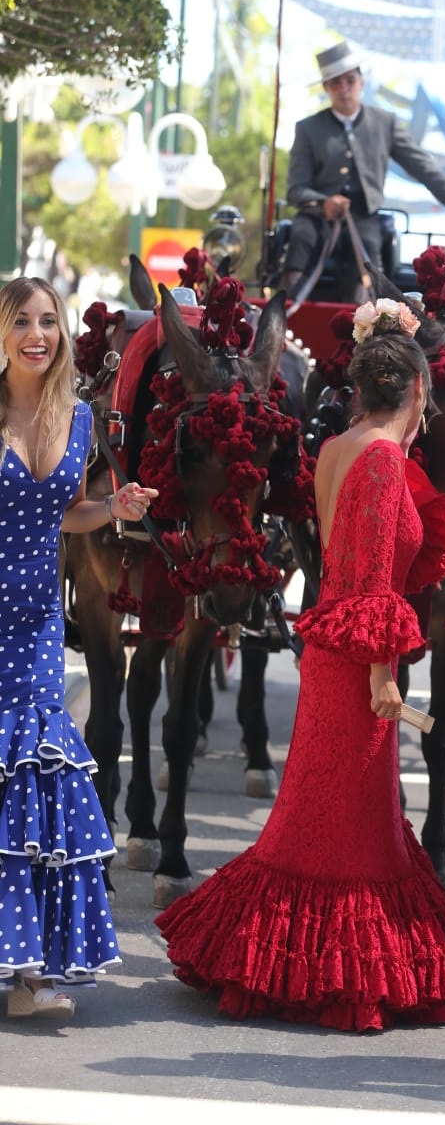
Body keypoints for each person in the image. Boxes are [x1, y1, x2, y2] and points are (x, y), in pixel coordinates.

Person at [155, 297, 445, 1030]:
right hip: (356, 667)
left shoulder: (340, 446)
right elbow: (369, 579)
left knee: (325, 821)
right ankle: (320, 970)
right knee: (345, 829)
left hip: (333, 652)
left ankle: (271, 950)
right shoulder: (379, 459)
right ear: (419, 391)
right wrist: (384, 675)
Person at [0, 277, 157, 1021]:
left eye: (49, 322)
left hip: (33, 626)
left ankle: (33, 972)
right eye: (23, 321)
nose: (39, 334)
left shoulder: (82, 417)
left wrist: (113, 509)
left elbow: (67, 514)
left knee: (35, 775)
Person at [277, 40, 445, 294]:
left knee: (369, 258)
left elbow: (425, 169)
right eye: (335, 83)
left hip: (365, 217)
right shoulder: (308, 128)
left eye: (349, 80)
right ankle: (288, 316)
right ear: (326, 87)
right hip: (316, 219)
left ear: (362, 81)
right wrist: (323, 203)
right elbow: (296, 190)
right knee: (300, 240)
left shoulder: (385, 123)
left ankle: (363, 324)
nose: (344, 89)